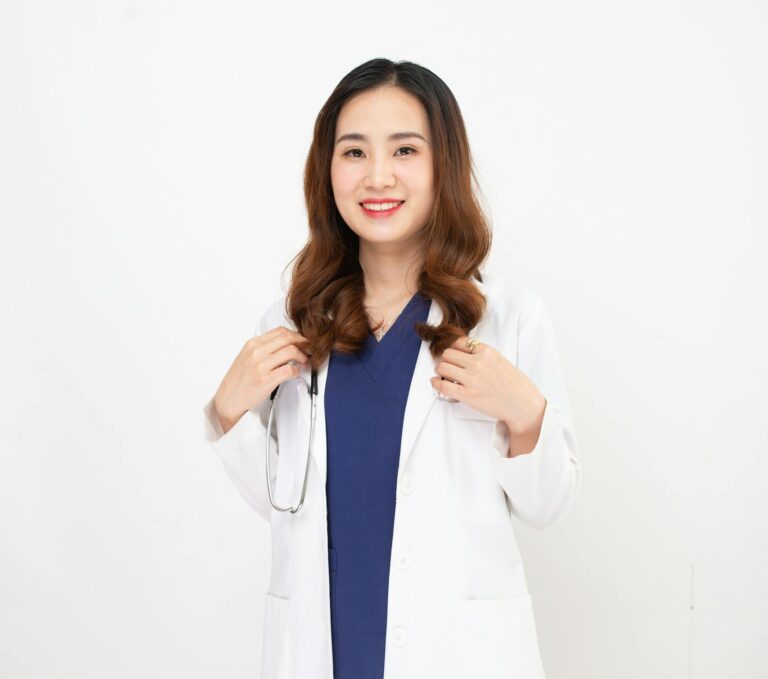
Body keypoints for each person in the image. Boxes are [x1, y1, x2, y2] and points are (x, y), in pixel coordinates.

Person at [202, 57, 581, 679]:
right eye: (353, 153)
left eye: (405, 149)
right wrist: (228, 411)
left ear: (443, 166)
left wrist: (524, 412)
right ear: (327, 171)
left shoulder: (508, 318)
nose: (378, 176)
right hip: (325, 647)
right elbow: (280, 504)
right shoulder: (294, 320)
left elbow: (548, 505)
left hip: (456, 652)